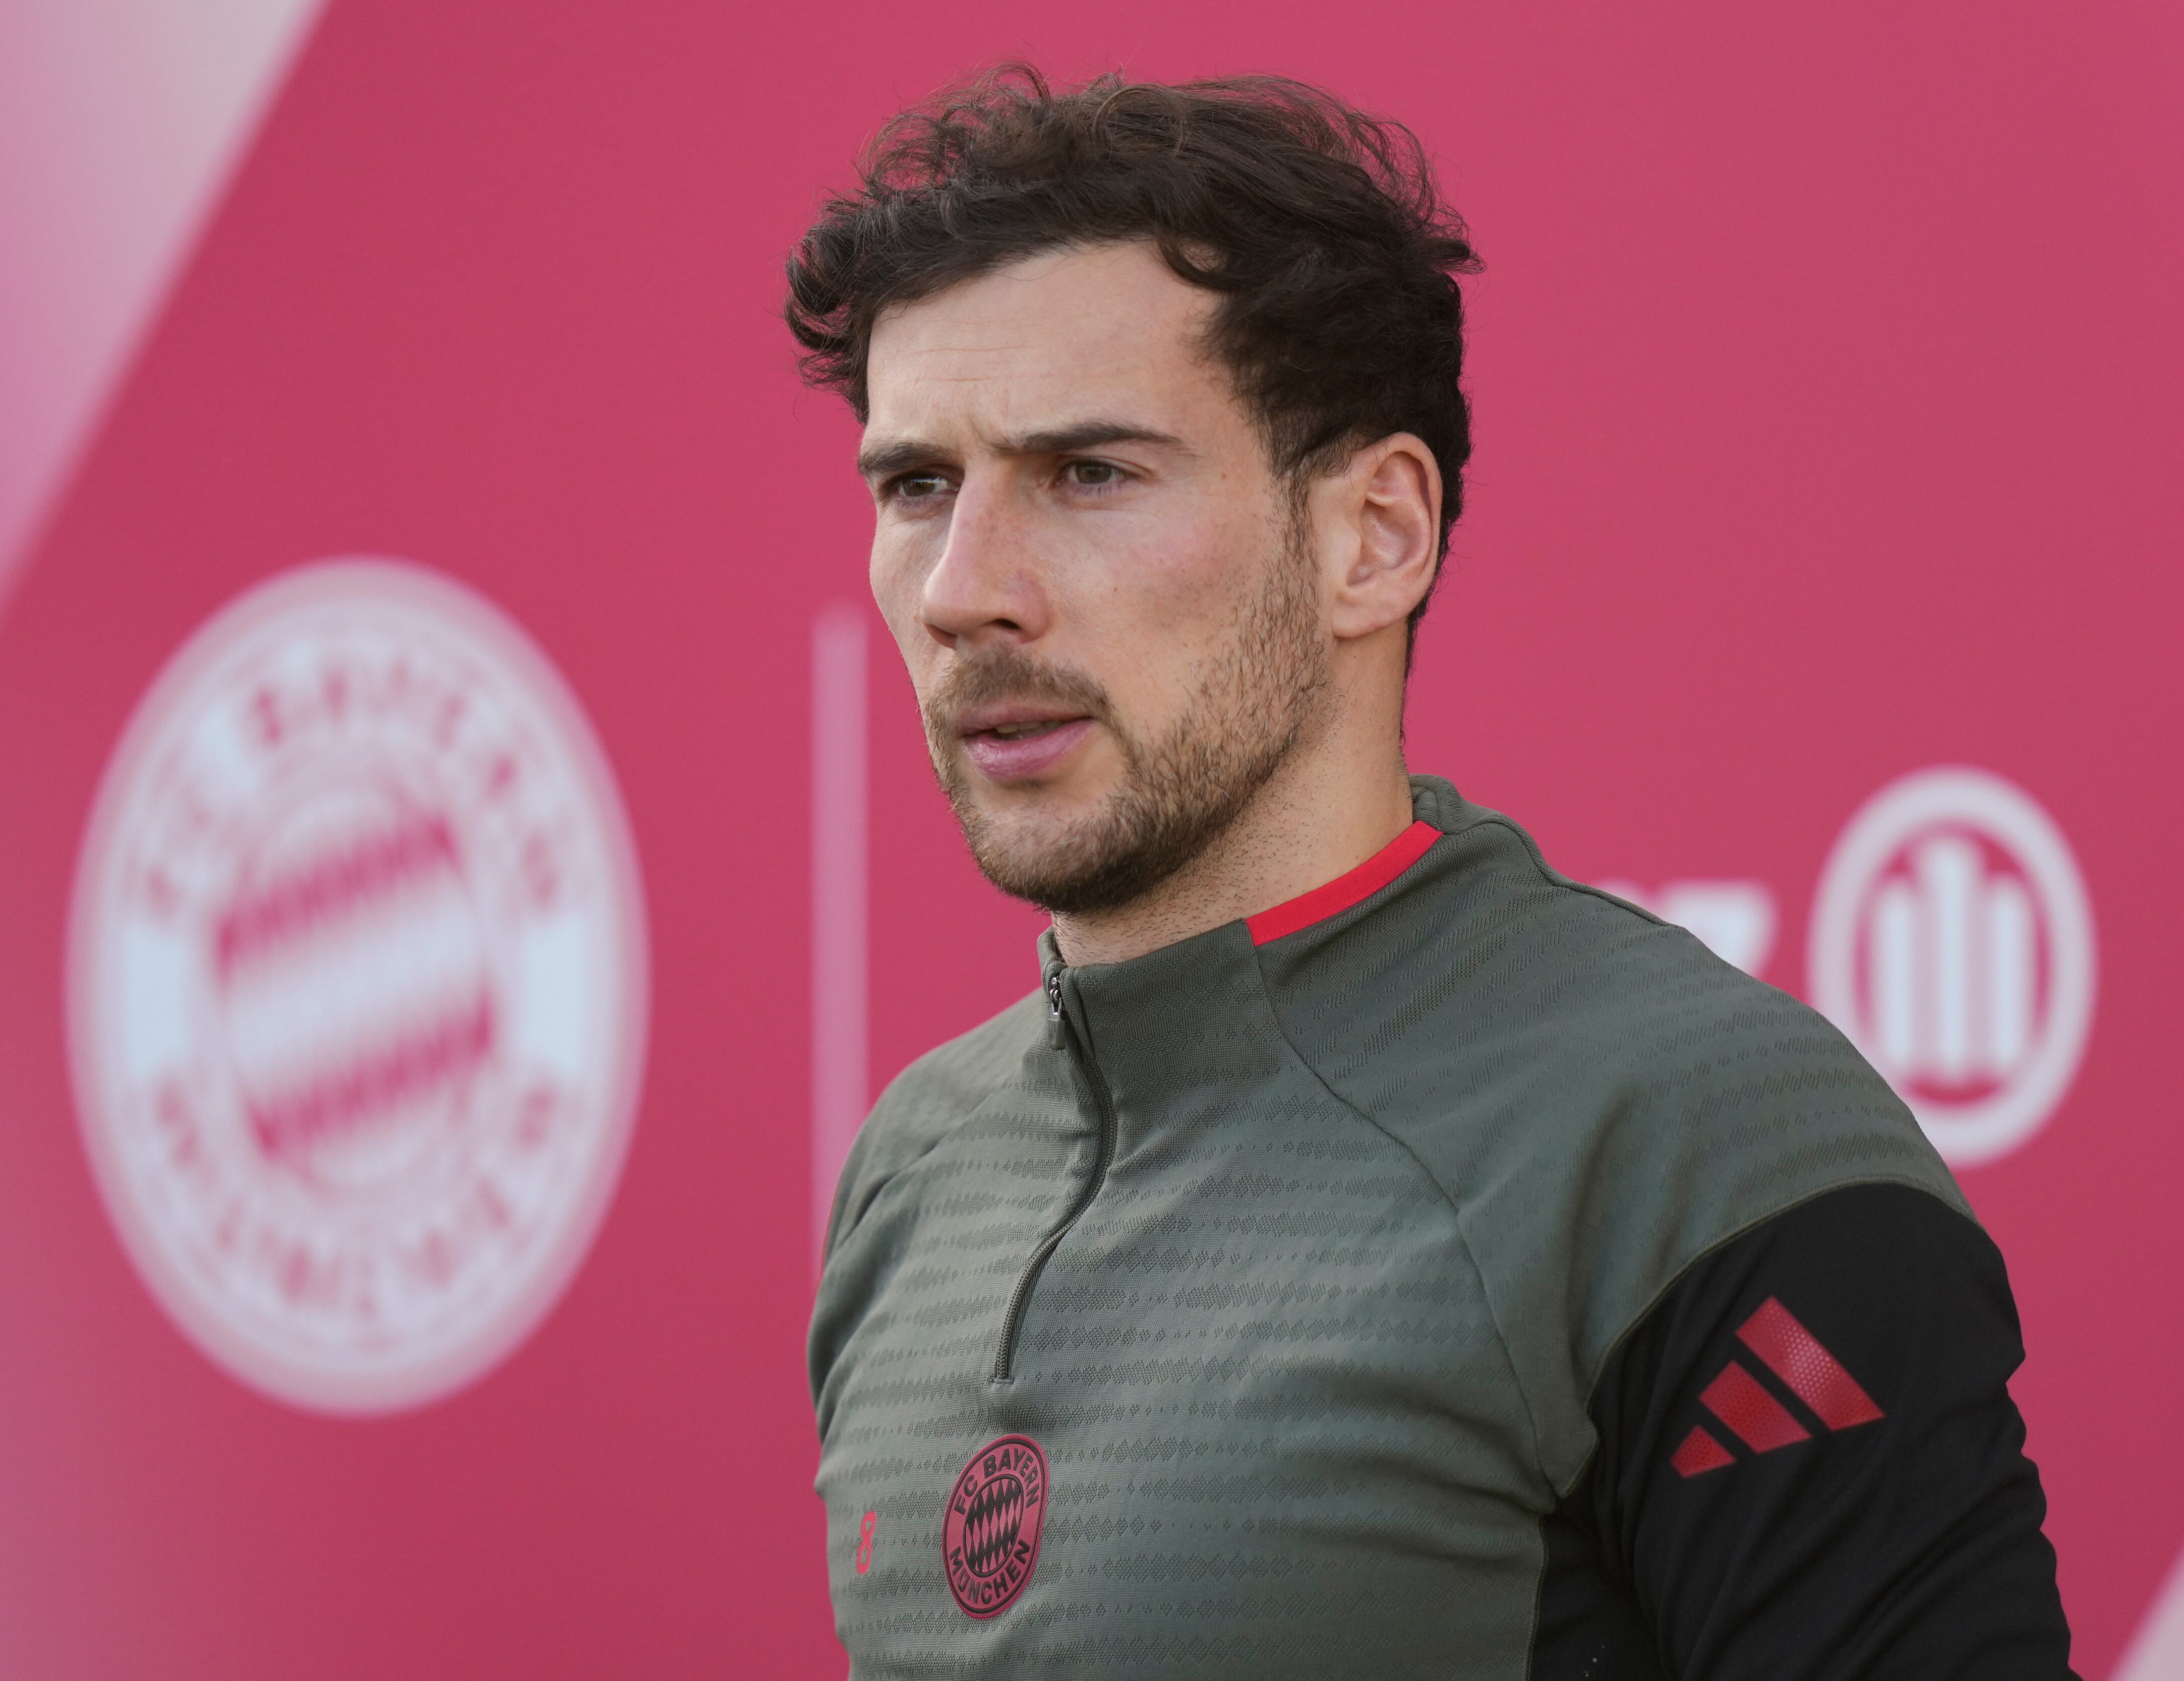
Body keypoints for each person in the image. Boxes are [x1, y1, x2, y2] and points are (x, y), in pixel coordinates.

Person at [787, 65, 2074, 1678]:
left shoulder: (1696, 1141)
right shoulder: (913, 1179)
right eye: (918, 488)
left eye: (1089, 474)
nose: (966, 589)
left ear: (1374, 535)